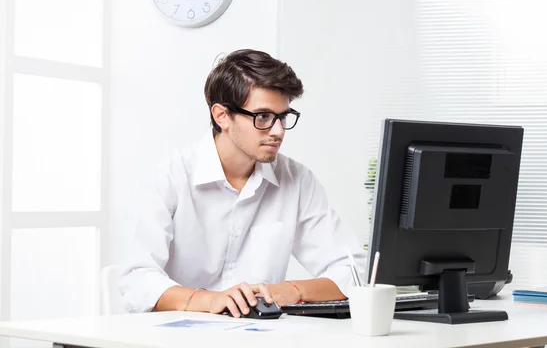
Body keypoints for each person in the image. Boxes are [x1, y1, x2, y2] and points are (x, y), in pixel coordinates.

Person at [119, 49, 367, 316]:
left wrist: (294, 290)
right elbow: (137, 280)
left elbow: (354, 271)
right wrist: (210, 300)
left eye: (283, 117)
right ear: (222, 116)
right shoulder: (169, 178)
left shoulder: (297, 180)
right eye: (263, 117)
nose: (278, 131)